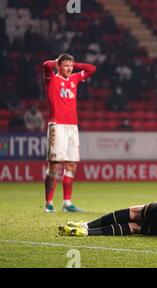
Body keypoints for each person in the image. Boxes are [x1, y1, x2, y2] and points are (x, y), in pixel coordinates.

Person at [42, 53, 96, 213]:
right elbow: (46, 65)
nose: (69, 68)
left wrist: (75, 64)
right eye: (66, 65)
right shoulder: (52, 79)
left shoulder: (74, 79)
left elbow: (92, 69)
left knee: (71, 164)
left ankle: (67, 203)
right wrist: (57, 62)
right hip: (57, 126)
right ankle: (49, 203)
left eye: (70, 66)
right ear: (59, 66)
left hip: (72, 127)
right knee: (55, 164)